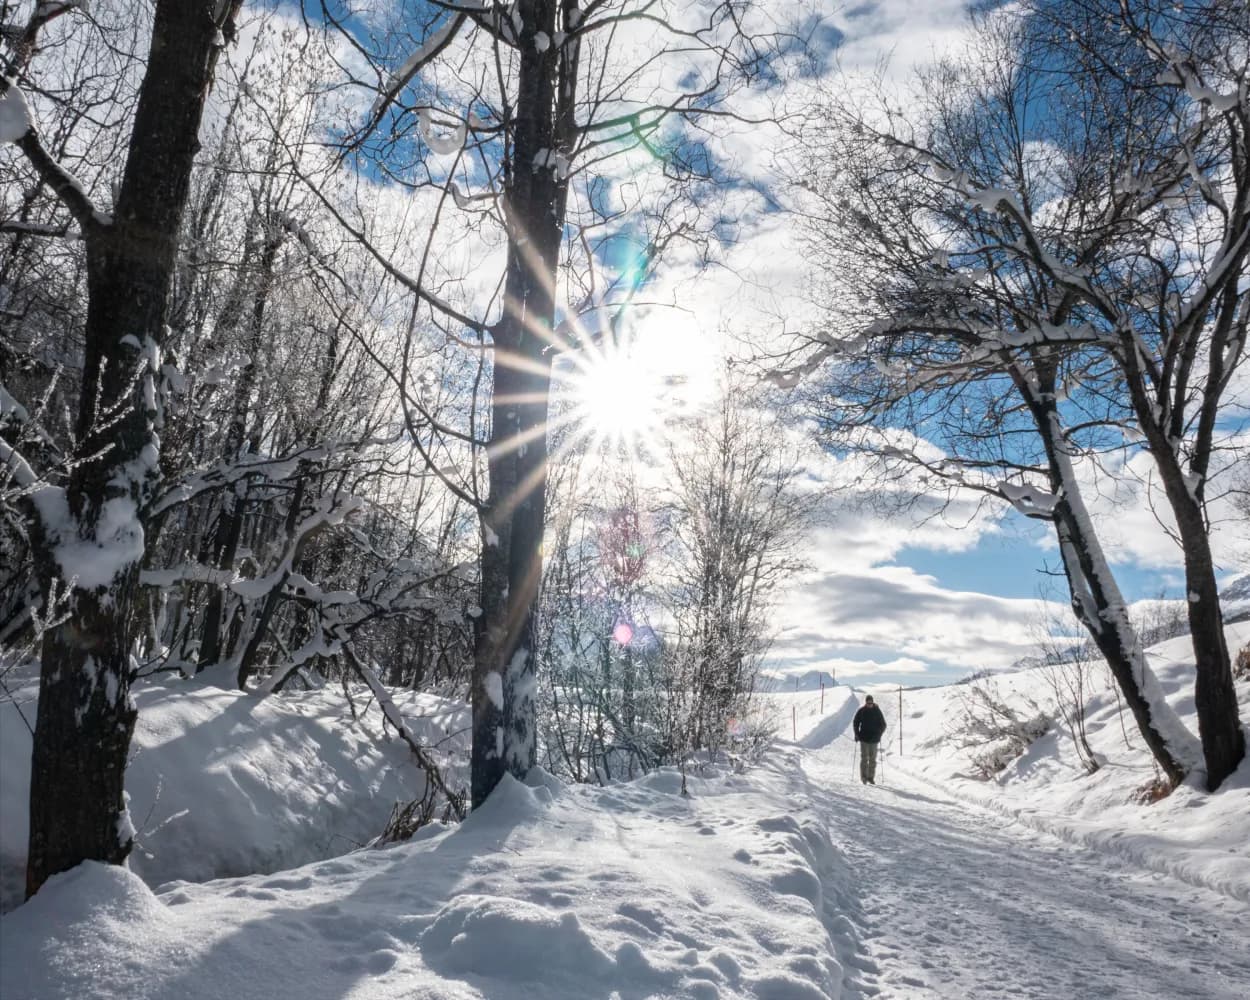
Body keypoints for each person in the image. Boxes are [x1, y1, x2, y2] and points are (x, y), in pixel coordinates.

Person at [852, 695, 887, 785]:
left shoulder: (877, 711)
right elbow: (856, 722)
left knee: (873, 760)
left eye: (871, 703)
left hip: (874, 739)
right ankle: (864, 777)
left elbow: (883, 724)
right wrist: (856, 734)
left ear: (873, 702)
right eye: (868, 703)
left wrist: (879, 733)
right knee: (864, 758)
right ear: (866, 702)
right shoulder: (862, 711)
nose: (870, 704)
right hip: (864, 738)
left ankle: (870, 777)